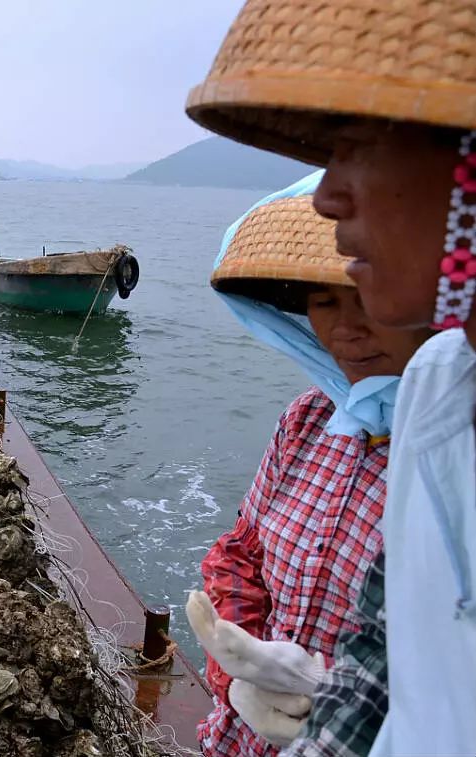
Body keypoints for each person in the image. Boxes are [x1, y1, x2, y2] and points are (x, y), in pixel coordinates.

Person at [185, 1, 476, 753]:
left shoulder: (429, 401)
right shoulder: (336, 414)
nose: (325, 193)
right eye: (319, 300)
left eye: (354, 145)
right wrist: (236, 671)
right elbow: (375, 644)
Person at [188, 172, 429, 756]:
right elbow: (243, 549)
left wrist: (340, 701)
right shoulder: (309, 419)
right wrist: (241, 667)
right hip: (241, 738)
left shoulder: (447, 452)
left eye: (367, 298)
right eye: (323, 300)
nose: (344, 329)